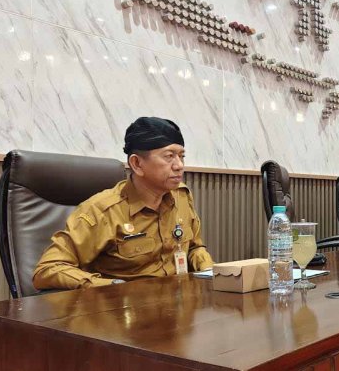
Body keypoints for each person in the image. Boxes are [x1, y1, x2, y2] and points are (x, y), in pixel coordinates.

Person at [33, 117, 214, 290]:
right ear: (137, 164)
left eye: (181, 156)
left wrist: (211, 271)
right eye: (169, 156)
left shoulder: (181, 196)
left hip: (178, 303)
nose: (179, 165)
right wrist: (112, 287)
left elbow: (194, 248)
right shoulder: (102, 211)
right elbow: (48, 269)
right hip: (126, 308)